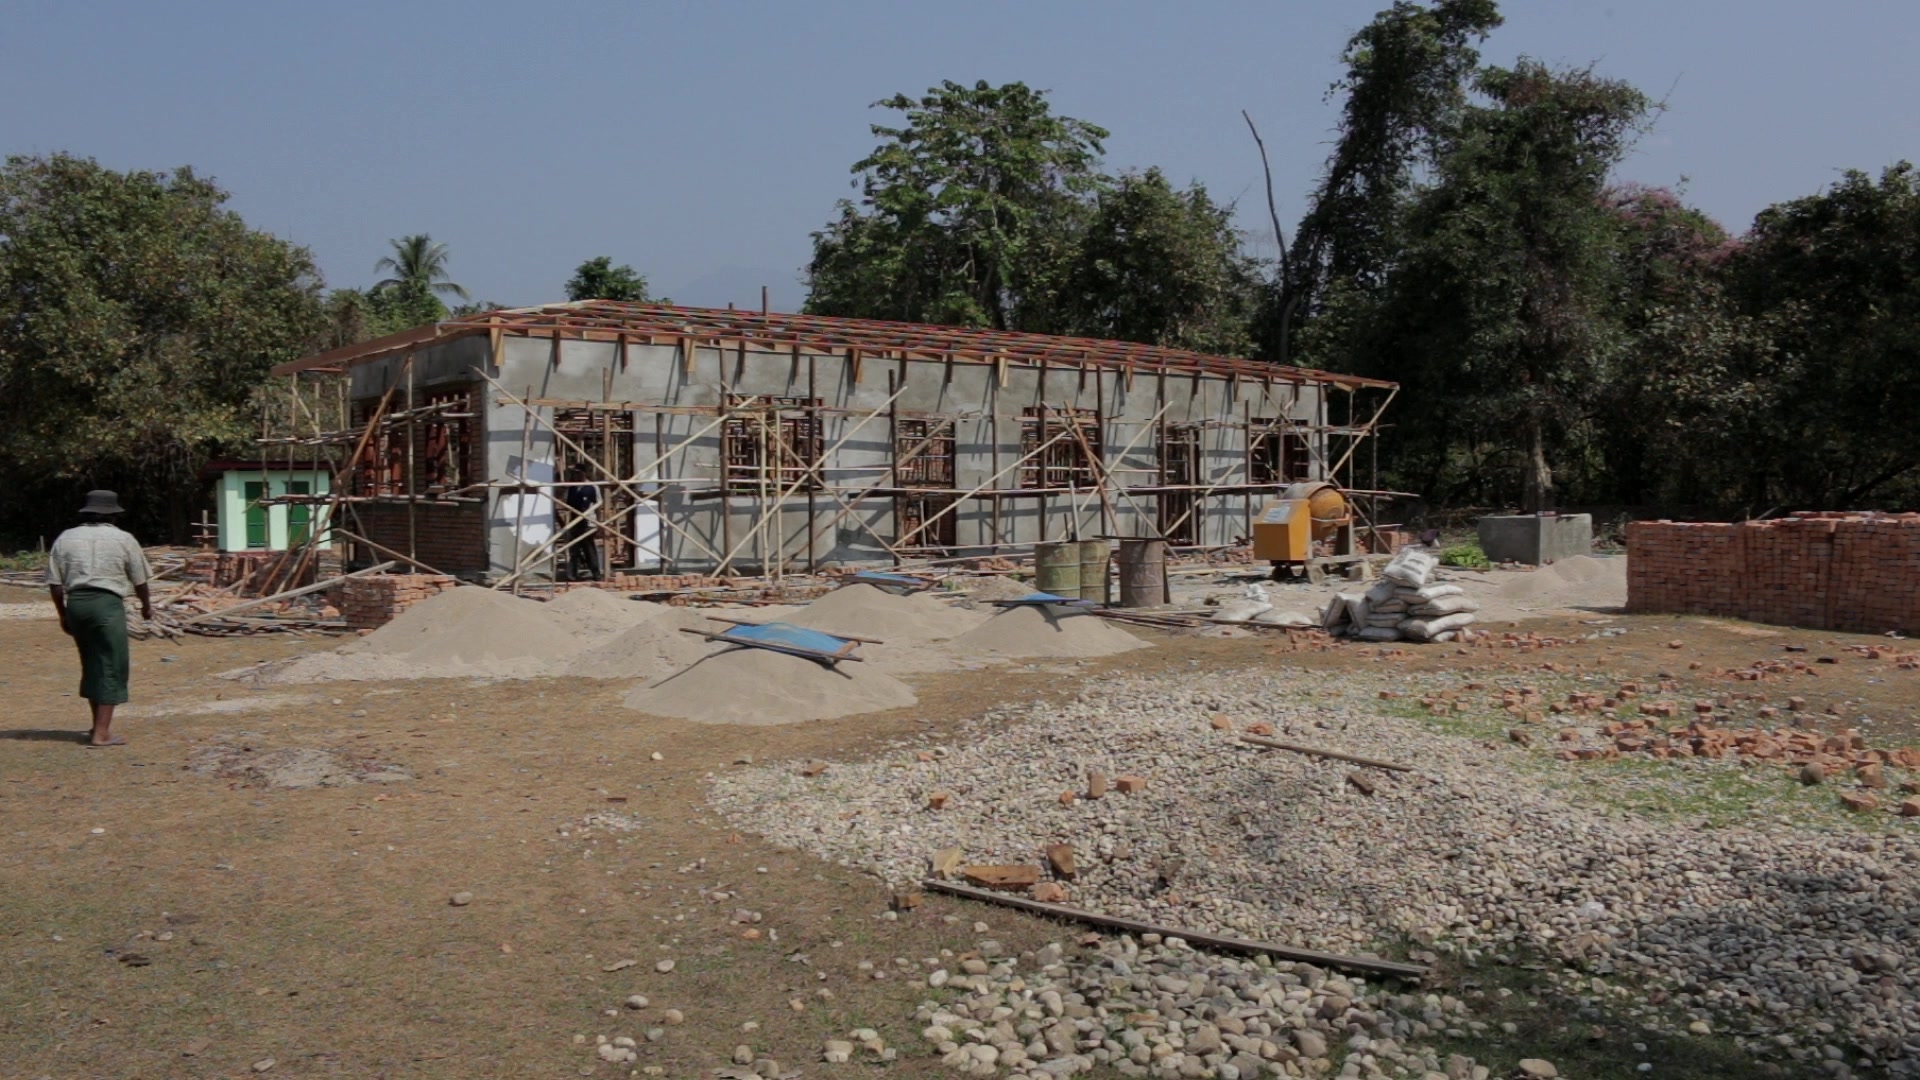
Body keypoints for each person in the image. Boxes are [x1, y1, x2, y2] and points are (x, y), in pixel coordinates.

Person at [46, 490, 154, 748]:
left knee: (92, 663)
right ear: (113, 515)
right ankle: (101, 734)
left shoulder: (66, 538)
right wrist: (146, 606)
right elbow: (140, 579)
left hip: (77, 604)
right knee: (112, 665)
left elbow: (55, 583)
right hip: (106, 604)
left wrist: (63, 614)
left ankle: (97, 725)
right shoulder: (124, 539)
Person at [559, 466, 603, 582]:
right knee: (574, 550)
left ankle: (596, 573)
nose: (576, 476)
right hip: (575, 522)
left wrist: (599, 522)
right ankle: (572, 575)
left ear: (584, 473)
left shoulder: (592, 487)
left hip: (588, 522)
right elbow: (565, 504)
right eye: (574, 474)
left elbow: (598, 506)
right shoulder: (572, 488)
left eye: (578, 473)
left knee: (589, 548)